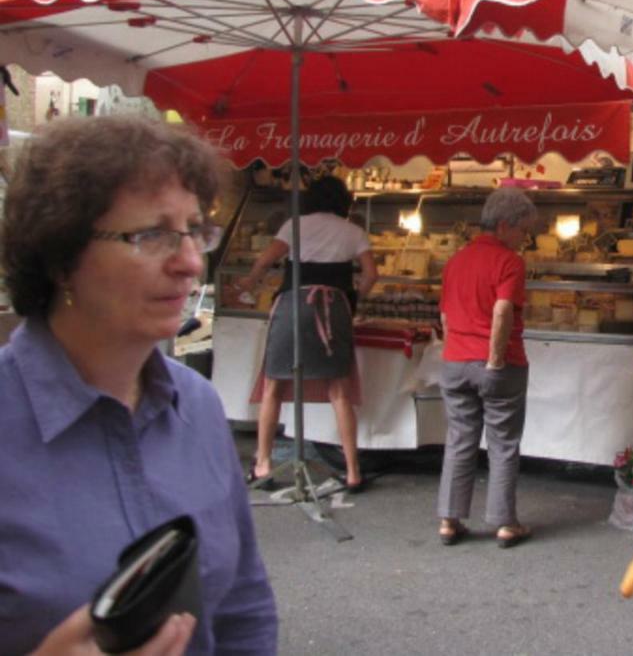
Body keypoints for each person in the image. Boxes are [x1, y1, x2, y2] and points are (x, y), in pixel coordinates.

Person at [0, 115, 277, 655]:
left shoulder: (195, 404)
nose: (192, 262)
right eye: (151, 236)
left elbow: (243, 607)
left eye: (196, 230)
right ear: (61, 256)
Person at [241, 173, 377, 492]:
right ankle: (353, 471)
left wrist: (250, 282)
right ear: (343, 202)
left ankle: (263, 464)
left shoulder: (294, 225)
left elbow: (264, 261)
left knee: (273, 385)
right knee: (339, 391)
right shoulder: (353, 231)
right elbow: (371, 274)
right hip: (334, 309)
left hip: (292, 305)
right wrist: (355, 298)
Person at [436, 187, 538, 548]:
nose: (525, 239)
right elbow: (502, 310)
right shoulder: (509, 262)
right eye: (523, 231)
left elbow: (445, 315)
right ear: (506, 225)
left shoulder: (455, 261)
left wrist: (453, 352)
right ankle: (504, 523)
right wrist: (495, 360)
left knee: (460, 439)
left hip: (455, 361)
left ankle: (449, 520)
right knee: (503, 444)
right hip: (498, 364)